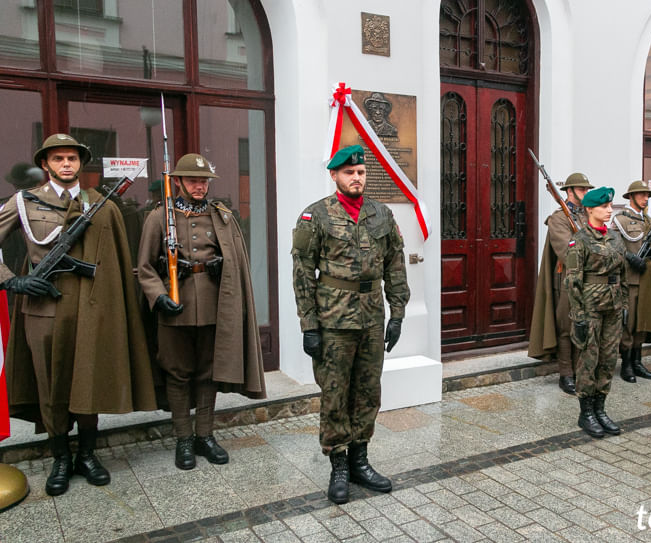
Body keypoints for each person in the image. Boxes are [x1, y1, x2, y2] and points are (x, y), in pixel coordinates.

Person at [0, 133, 156, 496]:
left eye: (72, 159)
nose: (66, 165)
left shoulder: (100, 204)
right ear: (45, 164)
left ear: (80, 164)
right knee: (52, 385)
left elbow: (117, 259)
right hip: (45, 308)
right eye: (58, 159)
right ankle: (60, 458)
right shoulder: (24, 202)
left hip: (92, 307)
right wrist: (14, 281)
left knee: (90, 378)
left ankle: (87, 454)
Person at [292, 145, 410, 504]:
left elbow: (395, 264)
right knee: (334, 394)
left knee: (367, 392)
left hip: (372, 318)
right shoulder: (315, 217)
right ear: (334, 175)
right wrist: (309, 325)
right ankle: (339, 466)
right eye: (348, 172)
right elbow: (302, 273)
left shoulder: (382, 214)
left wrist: (398, 313)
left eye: (360, 172)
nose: (356, 177)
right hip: (333, 321)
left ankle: (361, 460)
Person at [138, 153, 266, 470]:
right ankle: (183, 438)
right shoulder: (158, 217)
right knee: (178, 373)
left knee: (208, 373)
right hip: (175, 306)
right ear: (178, 182)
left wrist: (224, 267)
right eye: (193, 180)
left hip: (213, 304)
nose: (200, 186)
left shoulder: (222, 216)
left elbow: (236, 260)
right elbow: (143, 268)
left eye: (204, 180)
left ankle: (204, 436)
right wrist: (159, 295)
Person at [564, 186, 628, 438]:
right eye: (604, 206)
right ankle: (586, 412)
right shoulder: (579, 240)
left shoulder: (615, 237)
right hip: (589, 307)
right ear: (590, 209)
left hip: (613, 306)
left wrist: (623, 305)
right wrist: (578, 316)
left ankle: (601, 409)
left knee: (609, 358)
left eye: (610, 206)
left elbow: (622, 275)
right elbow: (572, 281)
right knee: (588, 359)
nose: (609, 210)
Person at [528, 172, 593, 394]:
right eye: (582, 189)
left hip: (588, 278)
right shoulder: (558, 218)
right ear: (569, 191)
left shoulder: (587, 215)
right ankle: (566, 373)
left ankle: (581, 368)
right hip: (568, 280)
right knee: (567, 327)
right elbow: (567, 251)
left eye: (587, 190)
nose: (586, 193)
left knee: (584, 324)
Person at [612, 180, 651, 383]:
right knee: (628, 323)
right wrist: (629, 258)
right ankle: (626, 364)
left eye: (647, 195)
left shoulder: (648, 220)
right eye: (641, 195)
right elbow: (613, 246)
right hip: (629, 279)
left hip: (646, 279)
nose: (646, 198)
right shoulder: (620, 219)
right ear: (631, 196)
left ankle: (637, 362)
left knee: (641, 323)